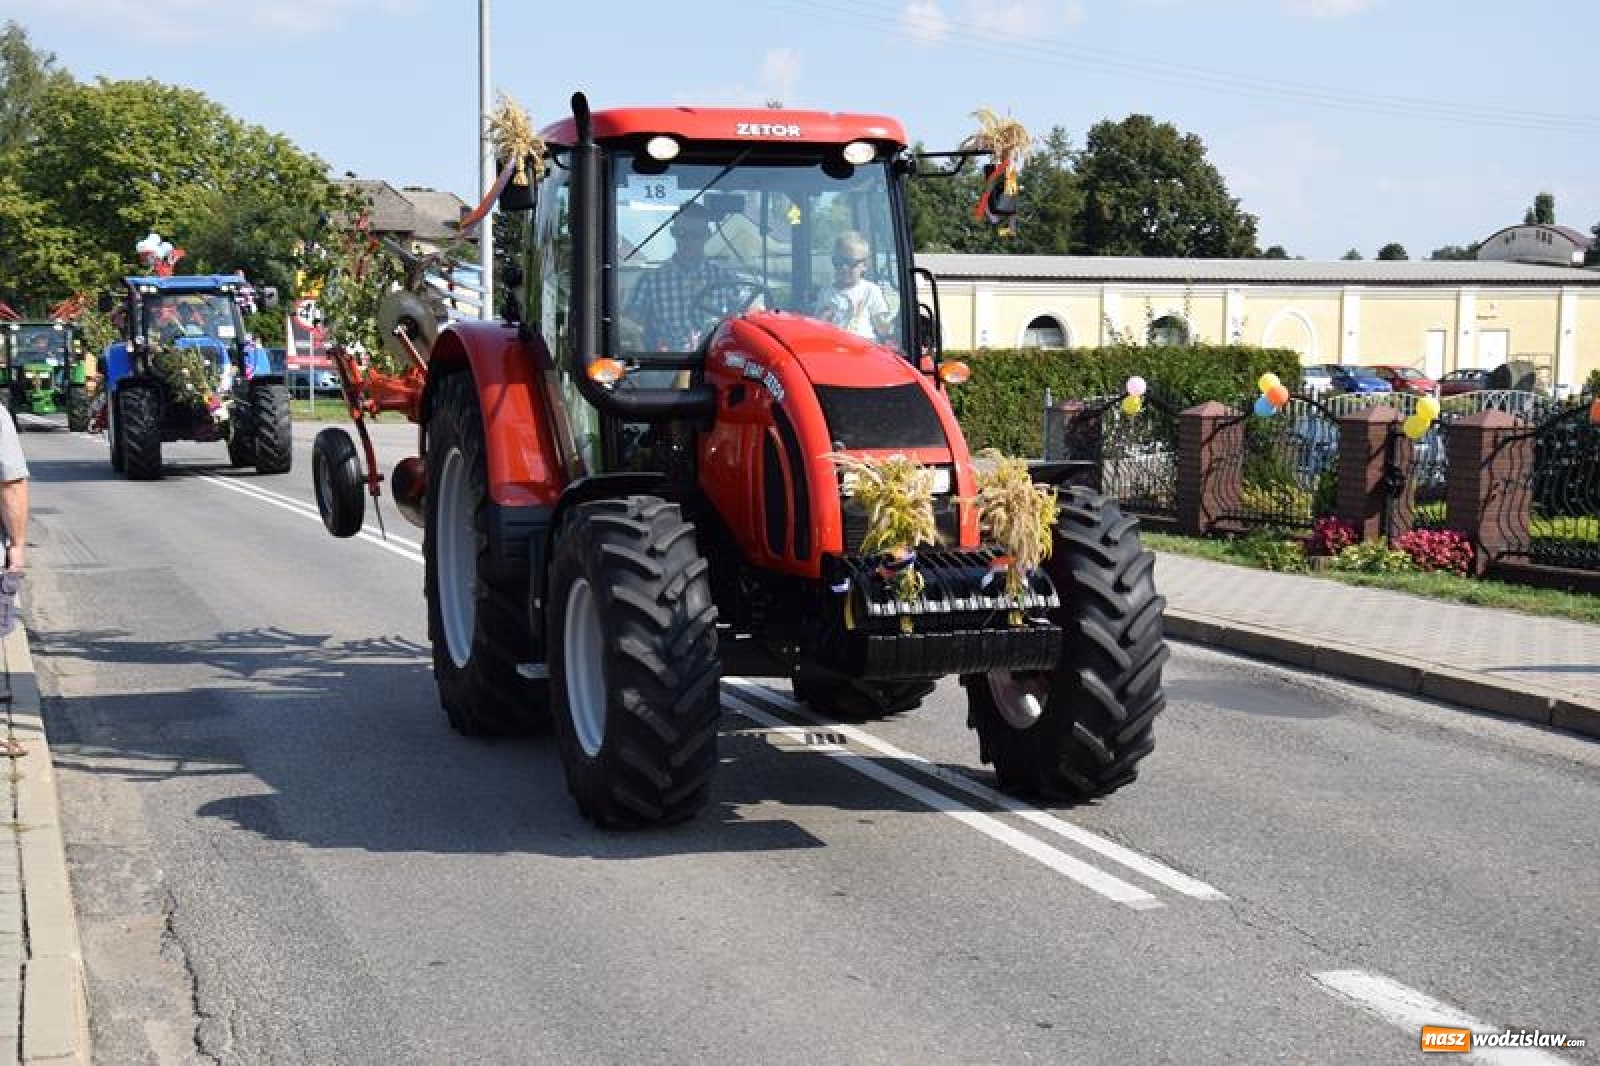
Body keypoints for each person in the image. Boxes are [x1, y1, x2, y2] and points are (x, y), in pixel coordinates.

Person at [625, 203, 742, 351]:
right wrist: (637, 340)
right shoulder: (650, 281)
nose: (688, 241)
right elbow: (629, 323)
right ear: (673, 233)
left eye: (696, 235)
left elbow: (749, 317)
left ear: (707, 235)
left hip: (716, 360)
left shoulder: (727, 279)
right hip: (669, 364)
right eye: (681, 233)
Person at [815, 231, 892, 341]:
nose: (844, 267)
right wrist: (824, 317)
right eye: (838, 262)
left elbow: (880, 324)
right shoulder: (827, 292)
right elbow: (818, 324)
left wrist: (891, 329)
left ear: (865, 265)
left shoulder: (871, 290)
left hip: (865, 345)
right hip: (835, 344)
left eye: (850, 262)